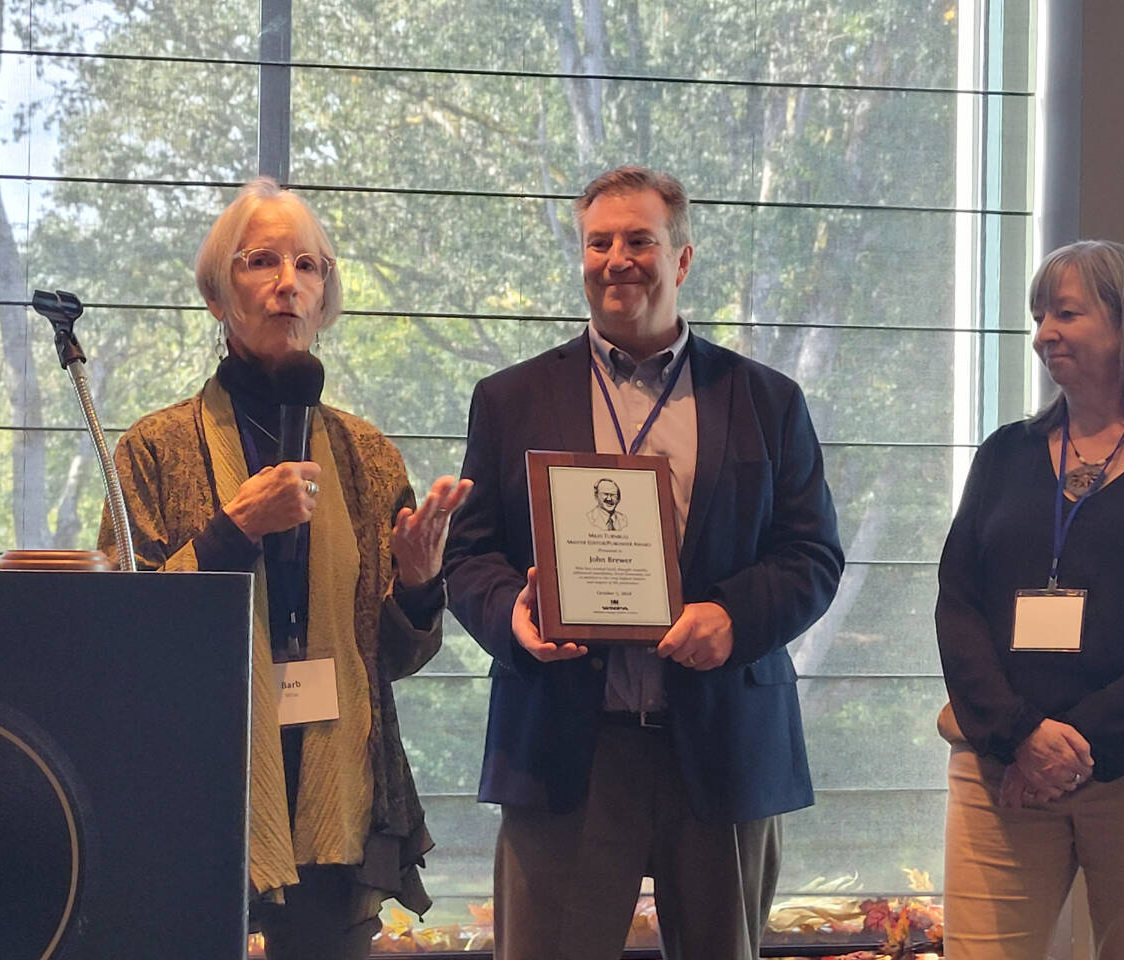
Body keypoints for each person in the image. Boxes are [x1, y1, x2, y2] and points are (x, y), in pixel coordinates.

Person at [443, 165, 843, 960]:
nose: (617, 258)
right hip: (568, 741)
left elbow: (812, 556)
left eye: (640, 240)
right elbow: (469, 554)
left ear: (682, 259)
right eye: (599, 242)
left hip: (722, 740)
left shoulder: (766, 400)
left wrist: (733, 617)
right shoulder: (510, 398)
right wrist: (512, 618)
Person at [99, 178, 470, 959]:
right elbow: (121, 641)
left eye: (308, 266)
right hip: (197, 783)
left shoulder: (367, 456)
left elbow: (394, 660)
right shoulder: (152, 449)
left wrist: (417, 584)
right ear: (216, 295)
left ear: (325, 296)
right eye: (260, 262)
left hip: (336, 799)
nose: (286, 284)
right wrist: (233, 532)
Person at [935, 239, 1124, 959]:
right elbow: (958, 602)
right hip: (1002, 761)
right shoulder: (1004, 453)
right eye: (1038, 316)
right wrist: (1021, 737)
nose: (1042, 335)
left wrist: (1076, 745)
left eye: (1065, 313)